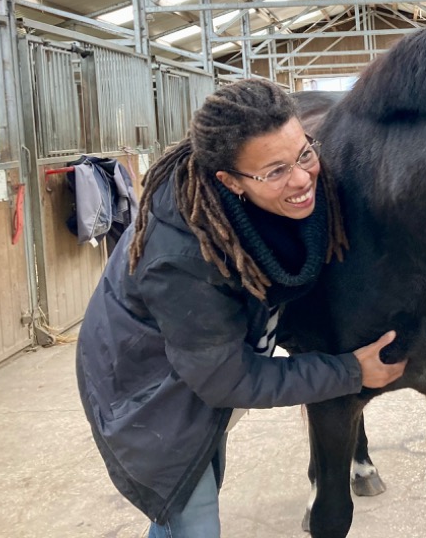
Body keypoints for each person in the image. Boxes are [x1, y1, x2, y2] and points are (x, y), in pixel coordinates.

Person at [75, 78, 406, 536]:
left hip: (193, 373)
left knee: (193, 492)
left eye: (304, 153)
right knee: (191, 512)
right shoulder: (183, 259)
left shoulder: (271, 195)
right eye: (274, 171)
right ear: (228, 181)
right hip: (146, 398)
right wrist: (350, 371)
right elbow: (228, 379)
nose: (302, 178)